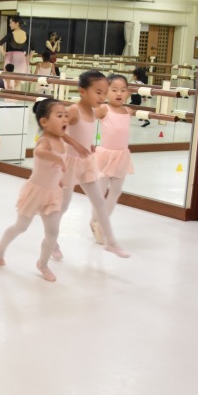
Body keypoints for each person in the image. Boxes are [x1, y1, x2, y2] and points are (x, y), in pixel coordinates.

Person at [0, 98, 68, 282]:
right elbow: (39, 152)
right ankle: (0, 247)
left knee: (53, 232)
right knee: (21, 226)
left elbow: (56, 169)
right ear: (44, 122)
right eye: (59, 116)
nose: (65, 119)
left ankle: (42, 264)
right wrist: (57, 159)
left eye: (66, 115)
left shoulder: (61, 141)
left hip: (52, 193)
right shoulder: (45, 141)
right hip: (35, 192)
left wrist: (60, 179)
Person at [62, 70, 130, 257]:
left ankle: (111, 242)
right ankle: (51, 241)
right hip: (71, 163)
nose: (102, 97)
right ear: (82, 91)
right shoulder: (74, 109)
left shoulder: (92, 111)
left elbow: (84, 132)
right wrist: (76, 145)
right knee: (64, 205)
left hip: (86, 162)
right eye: (98, 92)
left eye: (104, 92)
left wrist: (87, 144)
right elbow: (57, 129)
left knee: (99, 201)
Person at [94, 74, 135, 222]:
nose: (119, 94)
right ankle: (95, 220)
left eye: (123, 90)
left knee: (116, 191)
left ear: (128, 93)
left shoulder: (128, 111)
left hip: (122, 156)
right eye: (114, 90)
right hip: (105, 156)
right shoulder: (103, 109)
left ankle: (102, 221)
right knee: (100, 191)